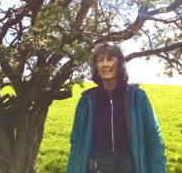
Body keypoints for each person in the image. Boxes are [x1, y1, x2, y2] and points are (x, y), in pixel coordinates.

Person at [66, 41, 166, 173]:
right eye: (100, 60)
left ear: (120, 64)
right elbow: (76, 144)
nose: (105, 64)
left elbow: (153, 140)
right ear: (96, 65)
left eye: (110, 59)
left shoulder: (137, 97)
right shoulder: (86, 101)